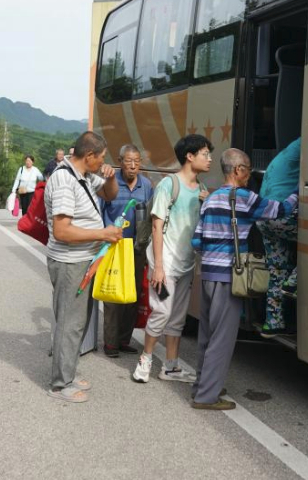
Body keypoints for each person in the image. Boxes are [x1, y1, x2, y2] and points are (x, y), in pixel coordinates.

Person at [190, 148, 298, 410]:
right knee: (222, 339)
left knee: (207, 335)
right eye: (248, 169)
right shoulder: (246, 198)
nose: (250, 175)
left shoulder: (212, 198)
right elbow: (280, 210)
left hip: (207, 275)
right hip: (230, 276)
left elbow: (196, 240)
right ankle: (206, 397)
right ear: (238, 170)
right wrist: (298, 192)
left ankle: (202, 385)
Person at [45, 131, 121, 403]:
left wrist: (110, 177)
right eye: (101, 158)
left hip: (82, 260)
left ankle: (68, 372)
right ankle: (59, 384)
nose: (102, 162)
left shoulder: (86, 176)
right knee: (69, 323)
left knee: (79, 322)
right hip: (69, 262)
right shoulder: (65, 180)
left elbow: (110, 195)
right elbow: (63, 231)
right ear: (88, 156)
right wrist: (103, 234)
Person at [132, 134, 211, 384]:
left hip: (186, 263)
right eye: (204, 154)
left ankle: (171, 367)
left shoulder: (201, 190)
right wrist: (158, 267)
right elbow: (157, 227)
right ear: (190, 156)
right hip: (163, 262)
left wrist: (207, 203)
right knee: (161, 312)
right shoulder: (169, 185)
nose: (209, 159)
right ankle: (145, 359)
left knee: (177, 316)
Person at [101, 144, 153, 358]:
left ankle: (124, 339)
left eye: (137, 161)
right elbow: (100, 211)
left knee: (133, 294)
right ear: (120, 161)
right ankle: (111, 343)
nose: (133, 166)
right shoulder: (111, 182)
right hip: (114, 246)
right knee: (113, 296)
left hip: (137, 247)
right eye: (128, 161)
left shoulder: (147, 185)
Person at [255, 138, 301, 336]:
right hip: (282, 214)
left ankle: (272, 322)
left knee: (277, 269)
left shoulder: (288, 152)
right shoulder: (307, 143)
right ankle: (294, 279)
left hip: (264, 218)